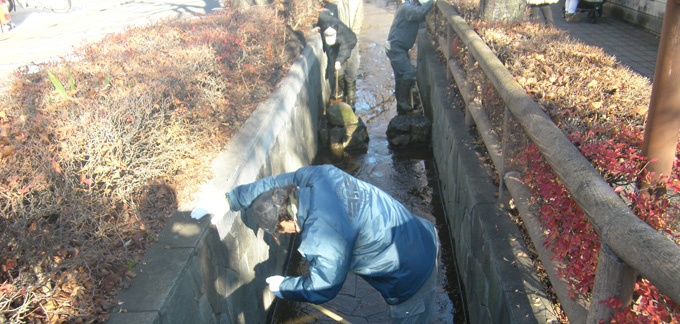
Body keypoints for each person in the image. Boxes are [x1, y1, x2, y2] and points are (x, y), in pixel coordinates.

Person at [222, 165, 439, 323]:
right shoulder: (319, 175)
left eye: (280, 231)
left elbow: (324, 287)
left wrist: (285, 287)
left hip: (413, 273)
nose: (284, 235)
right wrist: (234, 199)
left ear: (287, 220)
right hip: (419, 232)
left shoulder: (323, 235)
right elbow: (274, 183)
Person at [386, 0, 436, 115]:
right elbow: (418, 13)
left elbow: (420, 15)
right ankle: (403, 101)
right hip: (396, 48)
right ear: (415, 2)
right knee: (408, 73)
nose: (419, 6)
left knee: (400, 76)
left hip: (397, 48)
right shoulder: (407, 8)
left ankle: (400, 104)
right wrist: (432, 2)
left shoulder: (408, 7)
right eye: (419, 4)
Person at [315, 9, 358, 110]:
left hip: (351, 46)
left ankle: (350, 99)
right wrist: (317, 26)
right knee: (338, 73)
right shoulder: (324, 21)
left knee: (350, 73)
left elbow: (345, 51)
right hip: (337, 47)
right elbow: (323, 14)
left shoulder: (345, 35)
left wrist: (339, 61)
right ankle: (341, 93)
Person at [326, 0, 364, 110]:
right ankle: (341, 93)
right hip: (337, 37)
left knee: (351, 70)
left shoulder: (358, 3)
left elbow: (358, 21)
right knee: (339, 70)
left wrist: (352, 37)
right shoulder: (338, 2)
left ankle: (350, 99)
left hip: (351, 38)